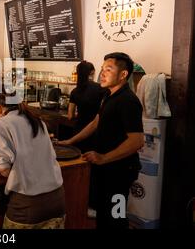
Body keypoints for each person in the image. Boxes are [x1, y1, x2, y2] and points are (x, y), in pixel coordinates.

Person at [60, 52, 144, 229]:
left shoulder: (128, 101)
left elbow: (137, 141)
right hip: (105, 169)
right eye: (102, 69)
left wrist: (104, 157)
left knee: (116, 217)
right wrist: (71, 141)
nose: (102, 73)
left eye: (109, 69)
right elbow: (95, 122)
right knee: (104, 216)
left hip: (120, 172)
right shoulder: (108, 96)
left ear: (123, 75)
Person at [0, 93, 65, 229]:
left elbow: (3, 169)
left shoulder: (2, 123)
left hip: (28, 207)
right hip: (57, 201)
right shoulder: (36, 120)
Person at [68, 61, 106, 153]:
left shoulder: (75, 91)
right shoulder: (101, 88)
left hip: (79, 131)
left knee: (78, 158)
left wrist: (79, 113)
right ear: (92, 72)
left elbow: (70, 116)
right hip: (95, 131)